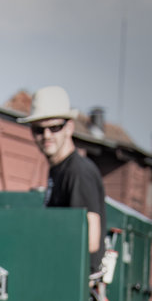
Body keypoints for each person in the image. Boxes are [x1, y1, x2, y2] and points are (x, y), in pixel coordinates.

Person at [22, 86, 107, 275]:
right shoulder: (58, 170)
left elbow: (90, 240)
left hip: (73, 286)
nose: (46, 136)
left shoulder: (78, 172)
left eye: (54, 127)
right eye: (39, 129)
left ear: (69, 127)